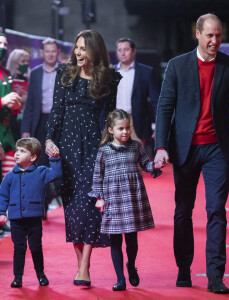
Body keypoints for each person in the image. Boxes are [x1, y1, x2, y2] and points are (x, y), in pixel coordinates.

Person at [154, 13, 229, 294]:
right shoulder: (177, 66)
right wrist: (161, 146)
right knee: (183, 211)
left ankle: (215, 275)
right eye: (209, 35)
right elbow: (164, 108)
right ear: (197, 34)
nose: (215, 41)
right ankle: (183, 269)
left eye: (218, 35)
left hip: (216, 149)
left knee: (216, 210)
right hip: (184, 148)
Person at [45, 30, 121, 286]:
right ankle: (81, 266)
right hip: (66, 145)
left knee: (89, 203)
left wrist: (113, 147)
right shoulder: (64, 75)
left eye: (83, 48)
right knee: (72, 205)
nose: (78, 53)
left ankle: (85, 266)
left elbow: (111, 116)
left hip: (93, 145)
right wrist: (48, 140)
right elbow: (56, 110)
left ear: (94, 51)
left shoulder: (108, 79)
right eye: (76, 47)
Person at [88, 109, 162, 291]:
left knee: (132, 239)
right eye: (121, 128)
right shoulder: (104, 151)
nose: (125, 132)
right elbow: (97, 176)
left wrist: (156, 166)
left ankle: (131, 264)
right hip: (113, 199)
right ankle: (120, 278)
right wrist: (99, 198)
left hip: (132, 198)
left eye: (127, 128)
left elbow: (146, 164)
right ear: (111, 130)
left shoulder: (136, 146)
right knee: (115, 240)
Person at [0, 137, 62, 288]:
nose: (16, 154)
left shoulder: (41, 172)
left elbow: (56, 174)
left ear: (33, 157)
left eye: (22, 151)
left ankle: (40, 274)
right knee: (19, 248)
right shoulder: (9, 176)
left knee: (35, 247)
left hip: (34, 219)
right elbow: (3, 195)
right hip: (16, 220)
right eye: (17, 150)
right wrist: (2, 212)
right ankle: (18, 277)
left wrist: (55, 159)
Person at [20, 38, 60, 219]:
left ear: (58, 52)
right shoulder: (35, 73)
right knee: (40, 166)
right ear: (42, 53)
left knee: (62, 163)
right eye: (47, 51)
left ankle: (65, 200)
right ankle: (42, 207)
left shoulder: (66, 72)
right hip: (40, 123)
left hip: (61, 122)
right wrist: (25, 130)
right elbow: (29, 105)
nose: (50, 54)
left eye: (53, 51)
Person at [114, 37, 159, 147]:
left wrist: (159, 124)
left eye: (126, 49)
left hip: (137, 121)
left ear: (134, 51)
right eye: (119, 50)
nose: (122, 53)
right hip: (114, 118)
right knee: (116, 158)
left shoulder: (146, 72)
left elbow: (156, 101)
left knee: (137, 159)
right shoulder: (110, 72)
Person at [0, 32, 22, 234]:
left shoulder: (5, 72)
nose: (3, 47)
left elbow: (11, 106)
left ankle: (1, 215)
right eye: (0, 43)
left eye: (5, 44)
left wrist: (15, 105)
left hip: (6, 132)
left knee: (9, 177)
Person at [6, 48, 31, 141]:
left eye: (27, 61)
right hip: (9, 122)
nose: (26, 64)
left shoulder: (30, 79)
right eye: (23, 61)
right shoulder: (6, 79)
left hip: (25, 122)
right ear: (15, 63)